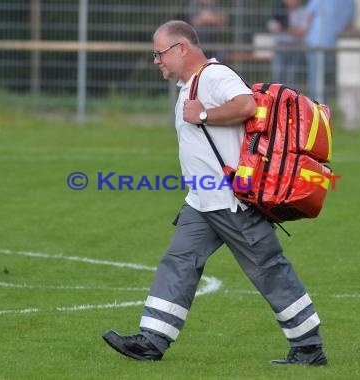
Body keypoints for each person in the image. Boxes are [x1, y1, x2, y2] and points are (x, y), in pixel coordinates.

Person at [102, 20, 327, 366]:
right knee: (178, 261)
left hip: (230, 202)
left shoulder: (214, 76)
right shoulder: (190, 84)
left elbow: (247, 105)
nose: (156, 61)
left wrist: (204, 114)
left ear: (181, 49)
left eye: (160, 53)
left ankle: (309, 347)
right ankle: (152, 340)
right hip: (202, 202)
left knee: (268, 269)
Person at [304, 0, 355, 103]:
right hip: (328, 45)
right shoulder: (350, 2)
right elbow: (349, 25)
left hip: (319, 44)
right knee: (325, 82)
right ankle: (321, 110)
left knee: (318, 81)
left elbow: (308, 16)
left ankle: (316, 110)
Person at [267, 0, 310, 89]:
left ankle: (290, 100)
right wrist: (291, 29)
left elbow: (302, 32)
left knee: (292, 78)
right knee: (278, 77)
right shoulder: (279, 10)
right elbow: (273, 27)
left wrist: (285, 27)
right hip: (280, 47)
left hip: (295, 48)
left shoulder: (302, 12)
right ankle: (278, 99)